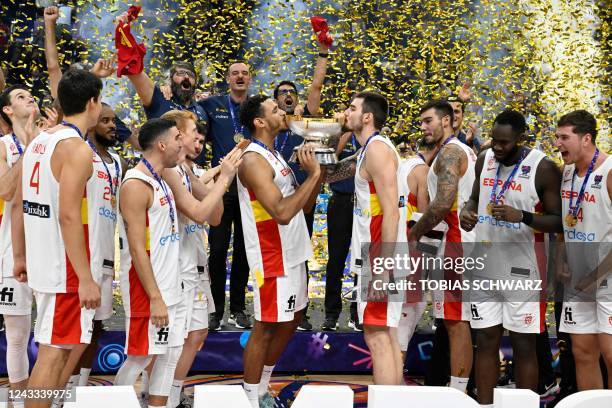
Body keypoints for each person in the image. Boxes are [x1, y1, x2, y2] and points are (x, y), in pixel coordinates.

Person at [12, 69, 103, 408]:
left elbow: (21, 202)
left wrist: (20, 255)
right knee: (52, 354)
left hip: (42, 259)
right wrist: (85, 278)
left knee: (53, 348)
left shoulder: (40, 140)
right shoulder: (75, 148)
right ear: (92, 102)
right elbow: (68, 215)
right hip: (64, 268)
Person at [459, 109, 563, 405]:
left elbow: (559, 222)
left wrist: (524, 216)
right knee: (485, 342)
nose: (497, 147)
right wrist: (468, 212)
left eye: (504, 142)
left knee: (523, 346)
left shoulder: (543, 168)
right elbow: (475, 198)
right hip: (484, 267)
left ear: (521, 139)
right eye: (494, 140)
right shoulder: (484, 158)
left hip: (523, 270)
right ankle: (486, 404)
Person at [237, 95, 322, 407]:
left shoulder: (276, 156)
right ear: (259, 122)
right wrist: (312, 175)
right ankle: (250, 396)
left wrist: (320, 167)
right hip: (271, 253)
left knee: (292, 318)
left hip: (293, 251)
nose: (283, 111)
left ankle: (262, 385)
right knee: (266, 327)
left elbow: (306, 204)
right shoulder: (253, 159)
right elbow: (282, 212)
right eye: (275, 109)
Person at [159, 109, 239, 408]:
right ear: (177, 135)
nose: (199, 138)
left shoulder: (186, 170)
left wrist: (212, 180)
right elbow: (201, 212)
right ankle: (155, 395)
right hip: (176, 267)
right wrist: (224, 177)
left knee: (197, 332)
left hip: (195, 262)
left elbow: (215, 216)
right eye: (194, 131)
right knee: (171, 340)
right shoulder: (166, 170)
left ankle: (173, 393)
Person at [55, 103, 127, 400]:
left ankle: (78, 391)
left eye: (114, 121)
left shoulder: (118, 161)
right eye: (105, 120)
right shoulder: (80, 153)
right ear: (93, 121)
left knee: (96, 326)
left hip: (107, 255)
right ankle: (60, 391)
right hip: (83, 253)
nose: (112, 125)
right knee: (75, 329)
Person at [408, 99, 477, 393]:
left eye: (428, 121)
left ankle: (459, 393)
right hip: (458, 243)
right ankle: (459, 388)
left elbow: (441, 205)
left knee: (455, 322)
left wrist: (414, 234)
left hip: (456, 245)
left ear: (446, 121)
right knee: (454, 321)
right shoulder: (459, 150)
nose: (423, 127)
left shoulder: (450, 151)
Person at [344, 91, 405, 385]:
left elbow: (391, 213)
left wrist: (381, 269)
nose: (347, 112)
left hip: (380, 254)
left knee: (377, 336)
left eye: (352, 108)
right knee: (386, 334)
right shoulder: (371, 148)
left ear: (367, 117)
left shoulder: (377, 150)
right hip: (382, 254)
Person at [273, 35, 330, 331]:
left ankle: (301, 310)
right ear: (275, 101)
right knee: (270, 253)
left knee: (301, 255)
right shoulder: (269, 127)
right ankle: (269, 307)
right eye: (282, 92)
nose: (287, 95)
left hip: (301, 198)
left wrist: (322, 54)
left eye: (291, 91)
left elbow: (316, 88)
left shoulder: (305, 122)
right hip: (273, 200)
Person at [556, 110, 612, 390]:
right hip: (578, 282)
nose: (558, 144)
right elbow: (567, 221)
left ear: (586, 138)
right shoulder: (567, 172)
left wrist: (596, 278)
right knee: (583, 354)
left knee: (611, 355)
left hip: (607, 280)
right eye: (556, 137)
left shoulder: (609, 172)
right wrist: (561, 258)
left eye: (564, 137)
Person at [197, 62, 252, 330]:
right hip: (222, 187)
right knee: (217, 250)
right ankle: (215, 309)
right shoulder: (211, 105)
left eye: (244, 73)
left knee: (244, 249)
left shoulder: (257, 107)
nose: (240, 77)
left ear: (249, 79)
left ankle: (239, 309)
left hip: (251, 187)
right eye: (235, 73)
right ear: (228, 79)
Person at [0, 84, 39, 408]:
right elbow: (5, 191)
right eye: (21, 97)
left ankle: (47, 397)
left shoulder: (51, 139)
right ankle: (19, 401)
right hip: (14, 249)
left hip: (51, 247)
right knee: (17, 333)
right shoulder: (3, 145)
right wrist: (28, 149)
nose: (31, 99)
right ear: (8, 111)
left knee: (57, 334)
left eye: (32, 95)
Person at [396, 142, 435, 363]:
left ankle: (388, 378)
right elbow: (424, 220)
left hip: (385, 245)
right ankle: (394, 380)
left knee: (390, 323)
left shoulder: (395, 164)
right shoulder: (423, 171)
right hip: (411, 249)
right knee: (407, 318)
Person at [322, 132, 361, 332]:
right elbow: (326, 170)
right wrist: (342, 139)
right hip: (341, 201)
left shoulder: (371, 140)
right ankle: (331, 313)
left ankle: (357, 312)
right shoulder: (337, 136)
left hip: (364, 205)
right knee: (336, 260)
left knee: (362, 261)